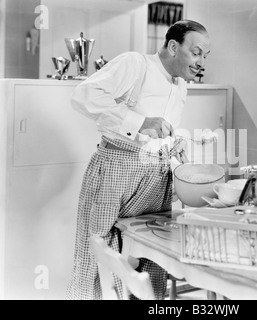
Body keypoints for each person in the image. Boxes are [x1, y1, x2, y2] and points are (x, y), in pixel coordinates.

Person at [65, 20, 210, 300]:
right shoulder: (135, 64)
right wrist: (140, 121)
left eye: (205, 55)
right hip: (117, 170)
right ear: (172, 46)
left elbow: (161, 127)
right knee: (100, 253)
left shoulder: (181, 86)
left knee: (151, 256)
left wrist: (173, 141)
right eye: (197, 52)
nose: (201, 61)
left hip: (156, 177)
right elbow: (82, 96)